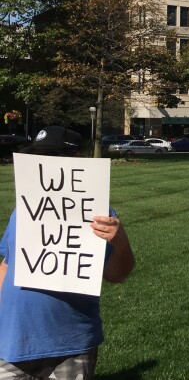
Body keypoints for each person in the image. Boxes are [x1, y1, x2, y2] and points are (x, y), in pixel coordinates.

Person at [0, 126, 135, 380]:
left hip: (68, 343)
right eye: (37, 156)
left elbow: (117, 274)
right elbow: (6, 264)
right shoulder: (24, 209)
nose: (42, 163)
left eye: (51, 156)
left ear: (76, 160)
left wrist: (120, 241)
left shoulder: (97, 213)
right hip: (11, 341)